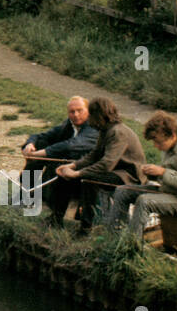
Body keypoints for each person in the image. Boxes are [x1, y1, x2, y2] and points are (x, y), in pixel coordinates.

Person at [103, 112, 177, 238]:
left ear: (172, 135)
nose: (156, 146)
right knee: (123, 191)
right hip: (168, 190)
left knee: (144, 201)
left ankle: (131, 245)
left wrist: (162, 172)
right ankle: (114, 236)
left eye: (158, 142)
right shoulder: (170, 146)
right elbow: (170, 176)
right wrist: (152, 173)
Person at [48, 97, 145, 228]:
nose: (89, 118)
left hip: (128, 175)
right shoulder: (105, 130)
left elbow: (106, 164)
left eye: (91, 115)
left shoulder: (118, 132)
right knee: (65, 177)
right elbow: (94, 155)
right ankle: (55, 219)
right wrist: (72, 166)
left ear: (100, 115)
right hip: (115, 171)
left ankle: (86, 227)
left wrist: (77, 174)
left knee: (88, 180)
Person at [17, 96, 100, 195]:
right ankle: (26, 188)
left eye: (80, 110)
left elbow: (71, 145)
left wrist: (41, 153)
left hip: (85, 165)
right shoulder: (69, 124)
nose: (76, 115)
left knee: (52, 153)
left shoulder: (94, 126)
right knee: (41, 143)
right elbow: (42, 136)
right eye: (72, 112)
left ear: (88, 111)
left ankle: (41, 193)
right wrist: (30, 144)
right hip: (68, 160)